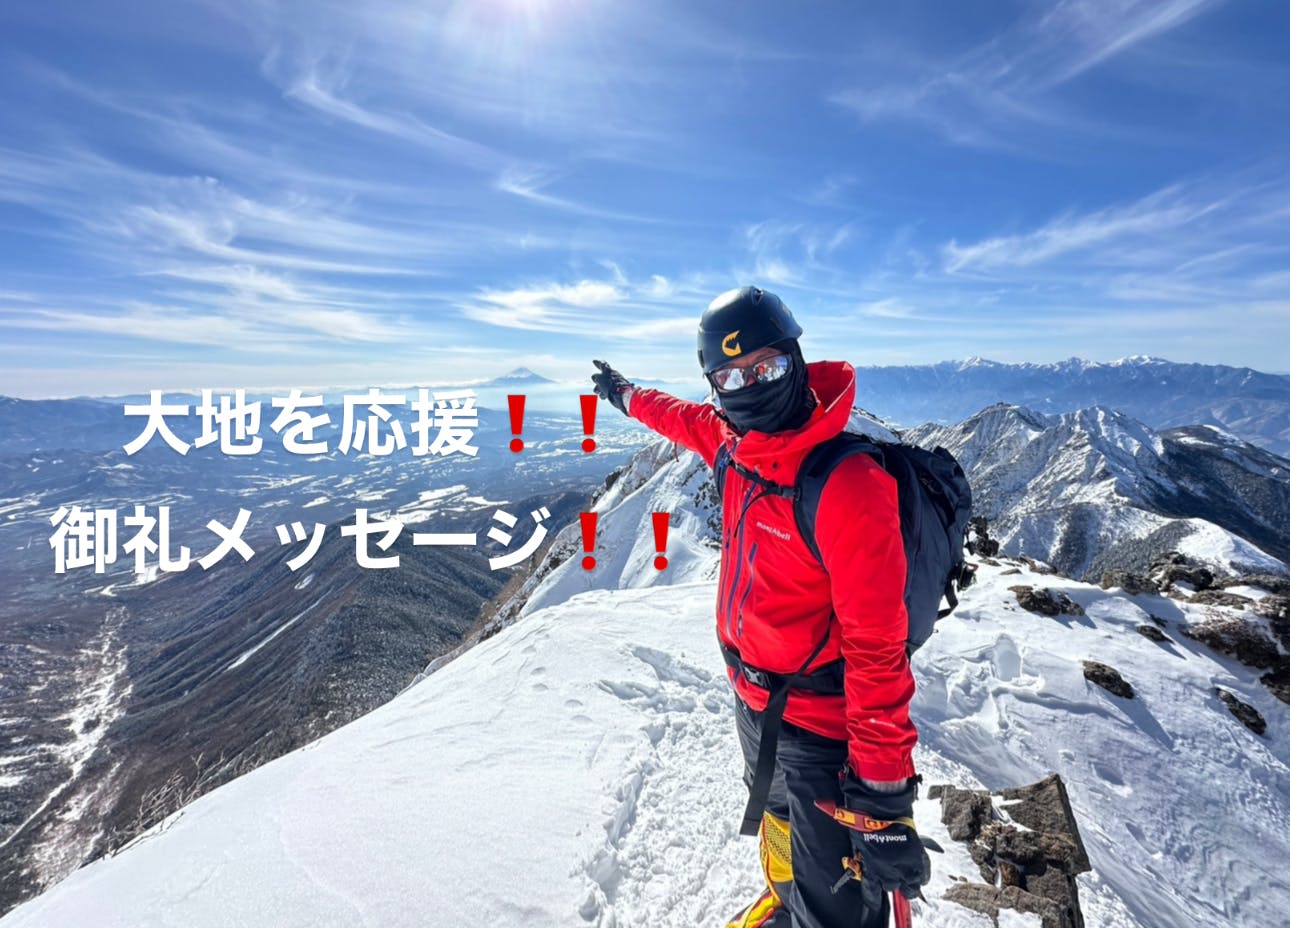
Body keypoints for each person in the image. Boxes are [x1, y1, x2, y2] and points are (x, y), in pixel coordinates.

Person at [591, 286, 930, 928]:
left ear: (795, 359)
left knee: (839, 905)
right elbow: (674, 415)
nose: (749, 386)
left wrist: (884, 798)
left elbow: (878, 649)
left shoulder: (848, 483)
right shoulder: (732, 445)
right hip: (754, 704)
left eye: (765, 366)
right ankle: (786, 901)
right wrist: (624, 393)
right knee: (777, 823)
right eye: (729, 375)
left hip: (822, 732)